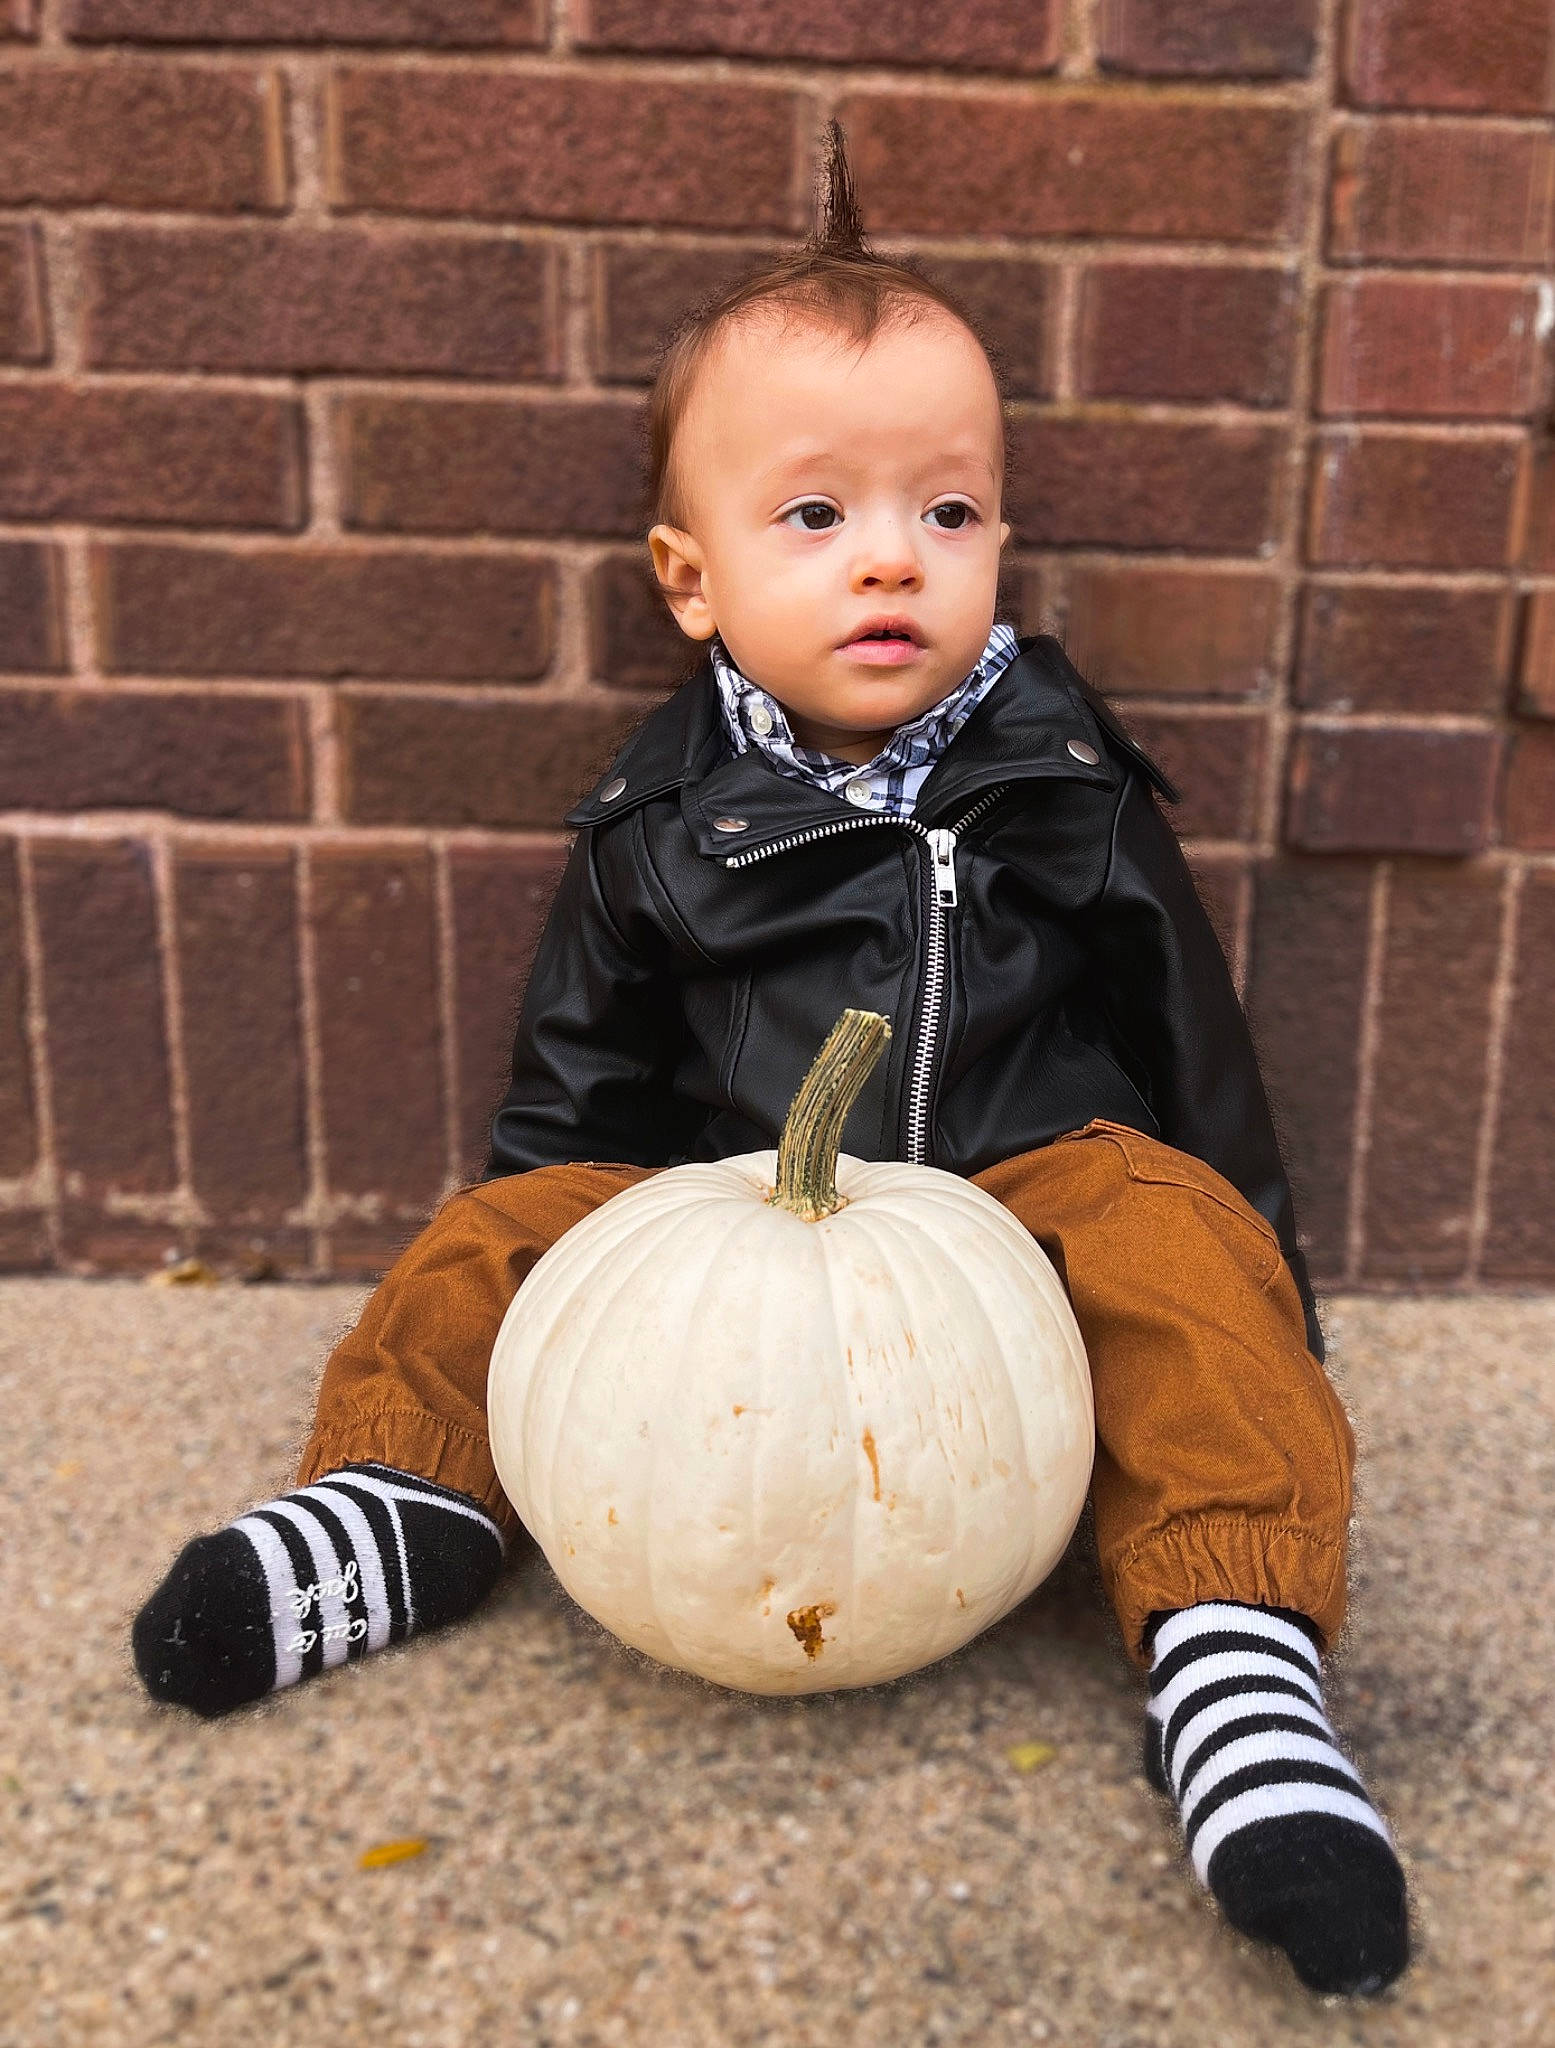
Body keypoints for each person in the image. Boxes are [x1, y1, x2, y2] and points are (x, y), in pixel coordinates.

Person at [132, 124, 1408, 1998]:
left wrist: (1263, 1284)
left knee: (1177, 1234)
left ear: (998, 539)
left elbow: (1192, 1055)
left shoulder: (1067, 788)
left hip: (1026, 1193)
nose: (893, 556)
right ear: (690, 574)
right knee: (499, 1233)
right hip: (731, 1199)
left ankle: (1235, 1656)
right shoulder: (658, 823)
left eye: (948, 513)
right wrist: (560, 1255)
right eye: (816, 516)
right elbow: (572, 1088)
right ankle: (401, 1502)